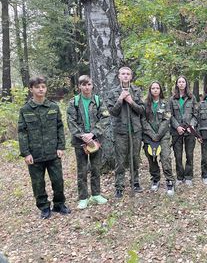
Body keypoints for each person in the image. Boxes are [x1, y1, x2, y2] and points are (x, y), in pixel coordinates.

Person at [18, 76, 71, 219]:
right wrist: (26, 153)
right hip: (35, 155)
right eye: (37, 87)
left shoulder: (53, 107)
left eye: (43, 86)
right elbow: (22, 132)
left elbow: (60, 127)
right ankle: (44, 207)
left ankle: (59, 204)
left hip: (53, 152)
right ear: (31, 89)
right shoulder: (25, 109)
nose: (41, 89)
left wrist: (61, 146)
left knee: (58, 180)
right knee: (38, 183)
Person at [67, 75, 110, 209]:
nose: (86, 87)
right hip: (80, 142)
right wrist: (82, 135)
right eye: (83, 85)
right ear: (79, 86)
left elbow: (105, 118)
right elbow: (71, 121)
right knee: (82, 170)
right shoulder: (73, 102)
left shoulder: (98, 100)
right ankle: (83, 198)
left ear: (92, 85)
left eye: (89, 84)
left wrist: (93, 133)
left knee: (96, 168)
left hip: (95, 141)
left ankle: (96, 194)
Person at [106, 67, 145, 198]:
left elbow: (142, 110)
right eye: (123, 74)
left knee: (134, 157)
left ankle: (135, 182)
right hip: (120, 131)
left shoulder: (137, 91)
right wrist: (120, 99)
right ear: (119, 76)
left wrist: (131, 102)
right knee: (120, 160)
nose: (125, 76)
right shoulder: (113, 92)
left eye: (128, 74)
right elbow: (112, 112)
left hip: (135, 130)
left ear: (131, 76)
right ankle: (119, 186)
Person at [142, 81, 175, 196]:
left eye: (157, 88)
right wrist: (152, 134)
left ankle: (170, 181)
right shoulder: (145, 104)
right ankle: (155, 179)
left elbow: (166, 120)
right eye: (153, 88)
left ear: (160, 90)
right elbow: (143, 121)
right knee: (152, 159)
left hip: (163, 136)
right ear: (150, 90)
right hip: (148, 137)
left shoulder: (165, 104)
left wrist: (158, 135)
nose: (155, 90)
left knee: (165, 158)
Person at [168, 76, 197, 186]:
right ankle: (180, 176)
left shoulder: (191, 97)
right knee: (178, 155)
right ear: (176, 84)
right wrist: (177, 127)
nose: (181, 84)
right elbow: (169, 115)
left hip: (189, 131)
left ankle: (188, 176)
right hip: (177, 132)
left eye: (183, 82)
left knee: (189, 154)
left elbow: (196, 114)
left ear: (186, 84)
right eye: (179, 82)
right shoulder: (172, 99)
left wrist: (192, 125)